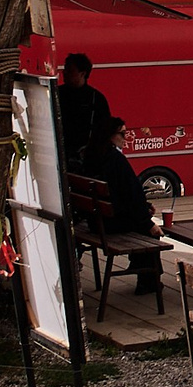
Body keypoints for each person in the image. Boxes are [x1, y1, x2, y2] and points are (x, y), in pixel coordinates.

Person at [55, 53, 160, 292]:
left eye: (68, 70)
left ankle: (144, 276)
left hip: (94, 215)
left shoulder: (95, 154)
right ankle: (148, 282)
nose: (64, 73)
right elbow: (130, 192)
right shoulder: (113, 159)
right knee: (148, 231)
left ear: (83, 73)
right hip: (107, 223)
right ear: (112, 135)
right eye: (123, 134)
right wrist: (146, 217)